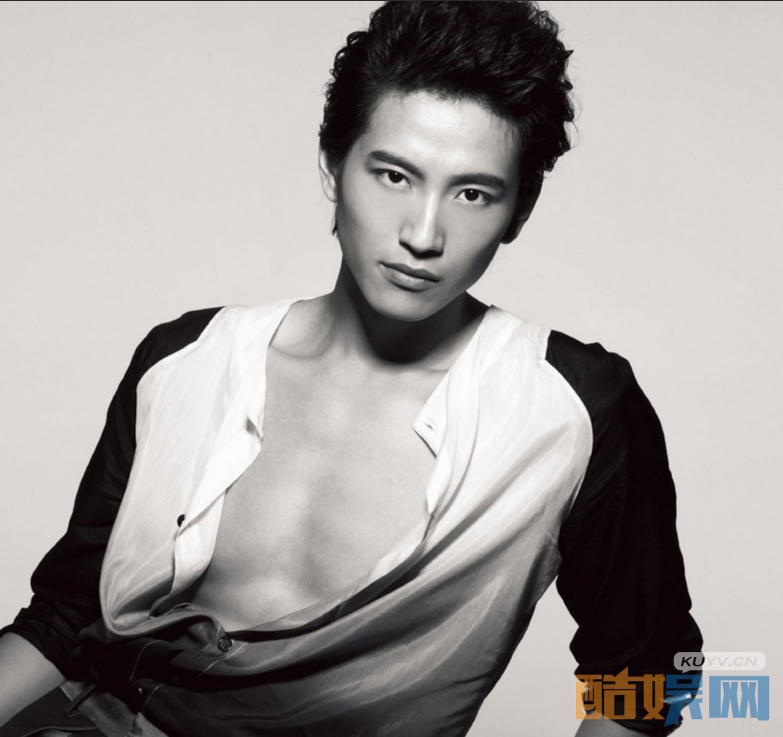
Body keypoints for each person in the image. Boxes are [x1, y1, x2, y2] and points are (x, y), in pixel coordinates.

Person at [0, 2, 701, 735]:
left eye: (471, 193)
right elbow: (64, 617)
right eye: (394, 176)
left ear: (518, 211)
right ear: (333, 167)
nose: (422, 234)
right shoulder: (184, 360)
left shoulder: (572, 411)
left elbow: (649, 670)